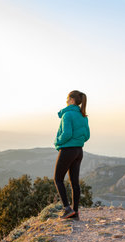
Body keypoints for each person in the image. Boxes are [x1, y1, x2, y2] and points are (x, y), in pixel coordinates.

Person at [54, 90, 90, 220]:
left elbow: (67, 134)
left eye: (67, 98)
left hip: (67, 150)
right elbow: (87, 135)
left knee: (58, 179)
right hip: (79, 151)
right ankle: (75, 213)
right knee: (75, 182)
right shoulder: (83, 116)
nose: (66, 101)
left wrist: (57, 141)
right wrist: (77, 142)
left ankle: (67, 209)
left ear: (72, 100)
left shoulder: (67, 114)